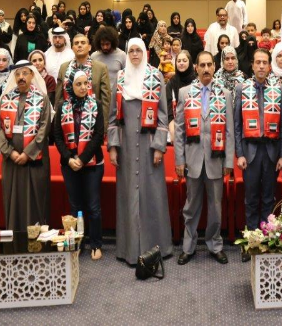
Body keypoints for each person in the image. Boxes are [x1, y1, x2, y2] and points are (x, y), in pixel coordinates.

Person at [110, 38, 173, 264]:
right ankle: (128, 250)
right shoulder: (119, 78)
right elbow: (112, 117)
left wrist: (159, 146)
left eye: (138, 51)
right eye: (131, 51)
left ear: (145, 53)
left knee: (152, 195)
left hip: (149, 146)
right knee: (128, 195)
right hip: (126, 145)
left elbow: (164, 115)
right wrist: (113, 148)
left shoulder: (155, 76)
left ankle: (158, 247)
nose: (135, 54)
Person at [175, 51, 234, 265]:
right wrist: (179, 160)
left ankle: (215, 245)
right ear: (196, 68)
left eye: (210, 65)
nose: (207, 69)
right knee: (190, 207)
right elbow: (180, 130)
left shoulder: (225, 93)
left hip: (216, 160)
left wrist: (229, 161)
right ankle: (188, 247)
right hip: (192, 160)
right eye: (203, 65)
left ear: (214, 67)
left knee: (216, 207)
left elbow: (229, 131)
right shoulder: (184, 93)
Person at [234, 48, 282, 261]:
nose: (262, 66)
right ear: (252, 65)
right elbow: (237, 125)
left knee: (268, 198)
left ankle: (266, 241)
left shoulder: (279, 88)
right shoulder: (241, 88)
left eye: (265, 62)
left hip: (272, 152)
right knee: (251, 199)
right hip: (251, 152)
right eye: (258, 62)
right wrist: (239, 153)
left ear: (270, 65)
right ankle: (251, 243)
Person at [0, 60, 52, 231]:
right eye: (17, 74)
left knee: (36, 200)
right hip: (11, 161)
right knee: (13, 200)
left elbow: (44, 128)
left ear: (32, 75)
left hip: (35, 160)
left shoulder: (42, 99)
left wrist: (27, 153)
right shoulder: (5, 99)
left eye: (25, 73)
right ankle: (15, 239)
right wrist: (9, 152)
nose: (21, 77)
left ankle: (36, 240)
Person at [54, 70, 105, 260]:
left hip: (92, 163)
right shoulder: (62, 106)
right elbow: (57, 136)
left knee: (93, 206)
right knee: (75, 206)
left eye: (86, 83)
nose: (83, 87)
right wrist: (69, 158)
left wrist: (82, 159)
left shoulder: (96, 105)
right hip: (69, 163)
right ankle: (77, 243)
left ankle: (96, 243)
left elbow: (99, 135)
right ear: (71, 87)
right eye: (79, 84)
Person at [56, 33, 111, 128]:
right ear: (73, 48)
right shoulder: (64, 68)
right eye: (76, 43)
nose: (79, 45)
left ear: (89, 47)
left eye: (83, 42)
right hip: (67, 120)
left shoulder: (100, 68)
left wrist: (103, 125)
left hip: (93, 121)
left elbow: (105, 101)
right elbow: (59, 98)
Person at [92, 26, 127, 126]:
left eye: (107, 44)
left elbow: (126, 77)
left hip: (116, 98)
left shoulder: (122, 55)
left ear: (113, 42)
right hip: (99, 99)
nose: (105, 47)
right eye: (102, 44)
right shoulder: (94, 56)